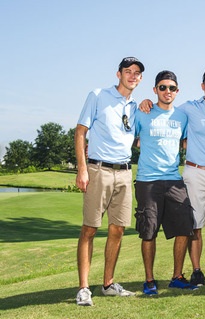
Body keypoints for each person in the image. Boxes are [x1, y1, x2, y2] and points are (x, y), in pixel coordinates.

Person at [139, 67, 205, 286]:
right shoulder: (188, 109)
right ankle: (196, 270)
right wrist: (147, 101)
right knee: (194, 225)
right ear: (202, 86)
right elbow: (166, 109)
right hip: (195, 172)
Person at [74, 57, 144, 306]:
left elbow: (136, 138)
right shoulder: (98, 95)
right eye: (128, 71)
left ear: (140, 78)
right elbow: (80, 131)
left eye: (137, 73)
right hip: (98, 169)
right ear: (119, 74)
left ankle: (107, 283)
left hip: (125, 172)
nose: (132, 76)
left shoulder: (136, 106)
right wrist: (82, 170)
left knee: (118, 229)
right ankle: (83, 288)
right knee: (89, 229)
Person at [134, 70, 198, 294]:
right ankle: (149, 280)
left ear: (177, 91)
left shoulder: (182, 117)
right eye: (162, 87)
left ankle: (177, 276)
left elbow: (187, 142)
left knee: (185, 228)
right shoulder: (142, 112)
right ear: (155, 90)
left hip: (174, 180)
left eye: (171, 88)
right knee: (148, 231)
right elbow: (128, 136)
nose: (167, 91)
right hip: (147, 182)